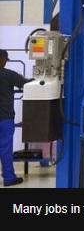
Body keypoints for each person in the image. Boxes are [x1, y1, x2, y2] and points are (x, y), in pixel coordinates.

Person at [0, 49, 33, 187]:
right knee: (5, 149)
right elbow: (26, 84)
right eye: (5, 60)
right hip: (4, 118)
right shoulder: (8, 74)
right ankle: (9, 178)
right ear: (2, 59)